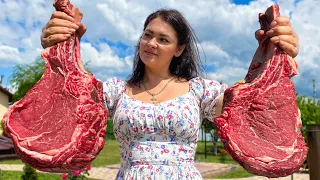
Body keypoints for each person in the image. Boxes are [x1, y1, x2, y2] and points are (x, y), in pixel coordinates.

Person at [41, 7, 299, 180]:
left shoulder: (199, 91)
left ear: (179, 49)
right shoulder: (116, 91)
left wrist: (277, 53)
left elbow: (252, 104)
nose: (151, 43)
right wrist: (60, 48)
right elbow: (69, 100)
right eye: (147, 35)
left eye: (163, 39)